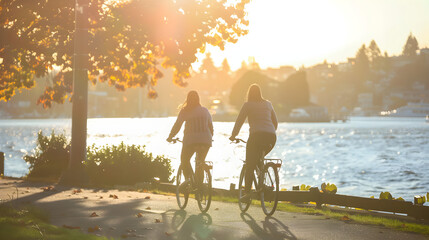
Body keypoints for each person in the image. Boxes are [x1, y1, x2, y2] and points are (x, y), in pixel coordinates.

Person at [229, 84, 278, 202]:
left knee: (250, 164)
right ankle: (262, 184)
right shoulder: (268, 104)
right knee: (257, 159)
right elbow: (275, 122)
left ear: (249, 94)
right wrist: (269, 131)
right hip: (271, 137)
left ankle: (247, 194)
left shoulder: (247, 105)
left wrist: (233, 135)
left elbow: (239, 121)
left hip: (256, 136)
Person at [167, 90, 214, 187]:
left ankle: (189, 182)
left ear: (187, 100)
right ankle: (199, 188)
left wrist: (171, 136)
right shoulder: (205, 111)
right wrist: (209, 138)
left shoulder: (185, 111)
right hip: (206, 140)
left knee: (184, 160)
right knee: (200, 162)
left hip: (191, 141)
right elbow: (211, 127)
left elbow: (177, 125)